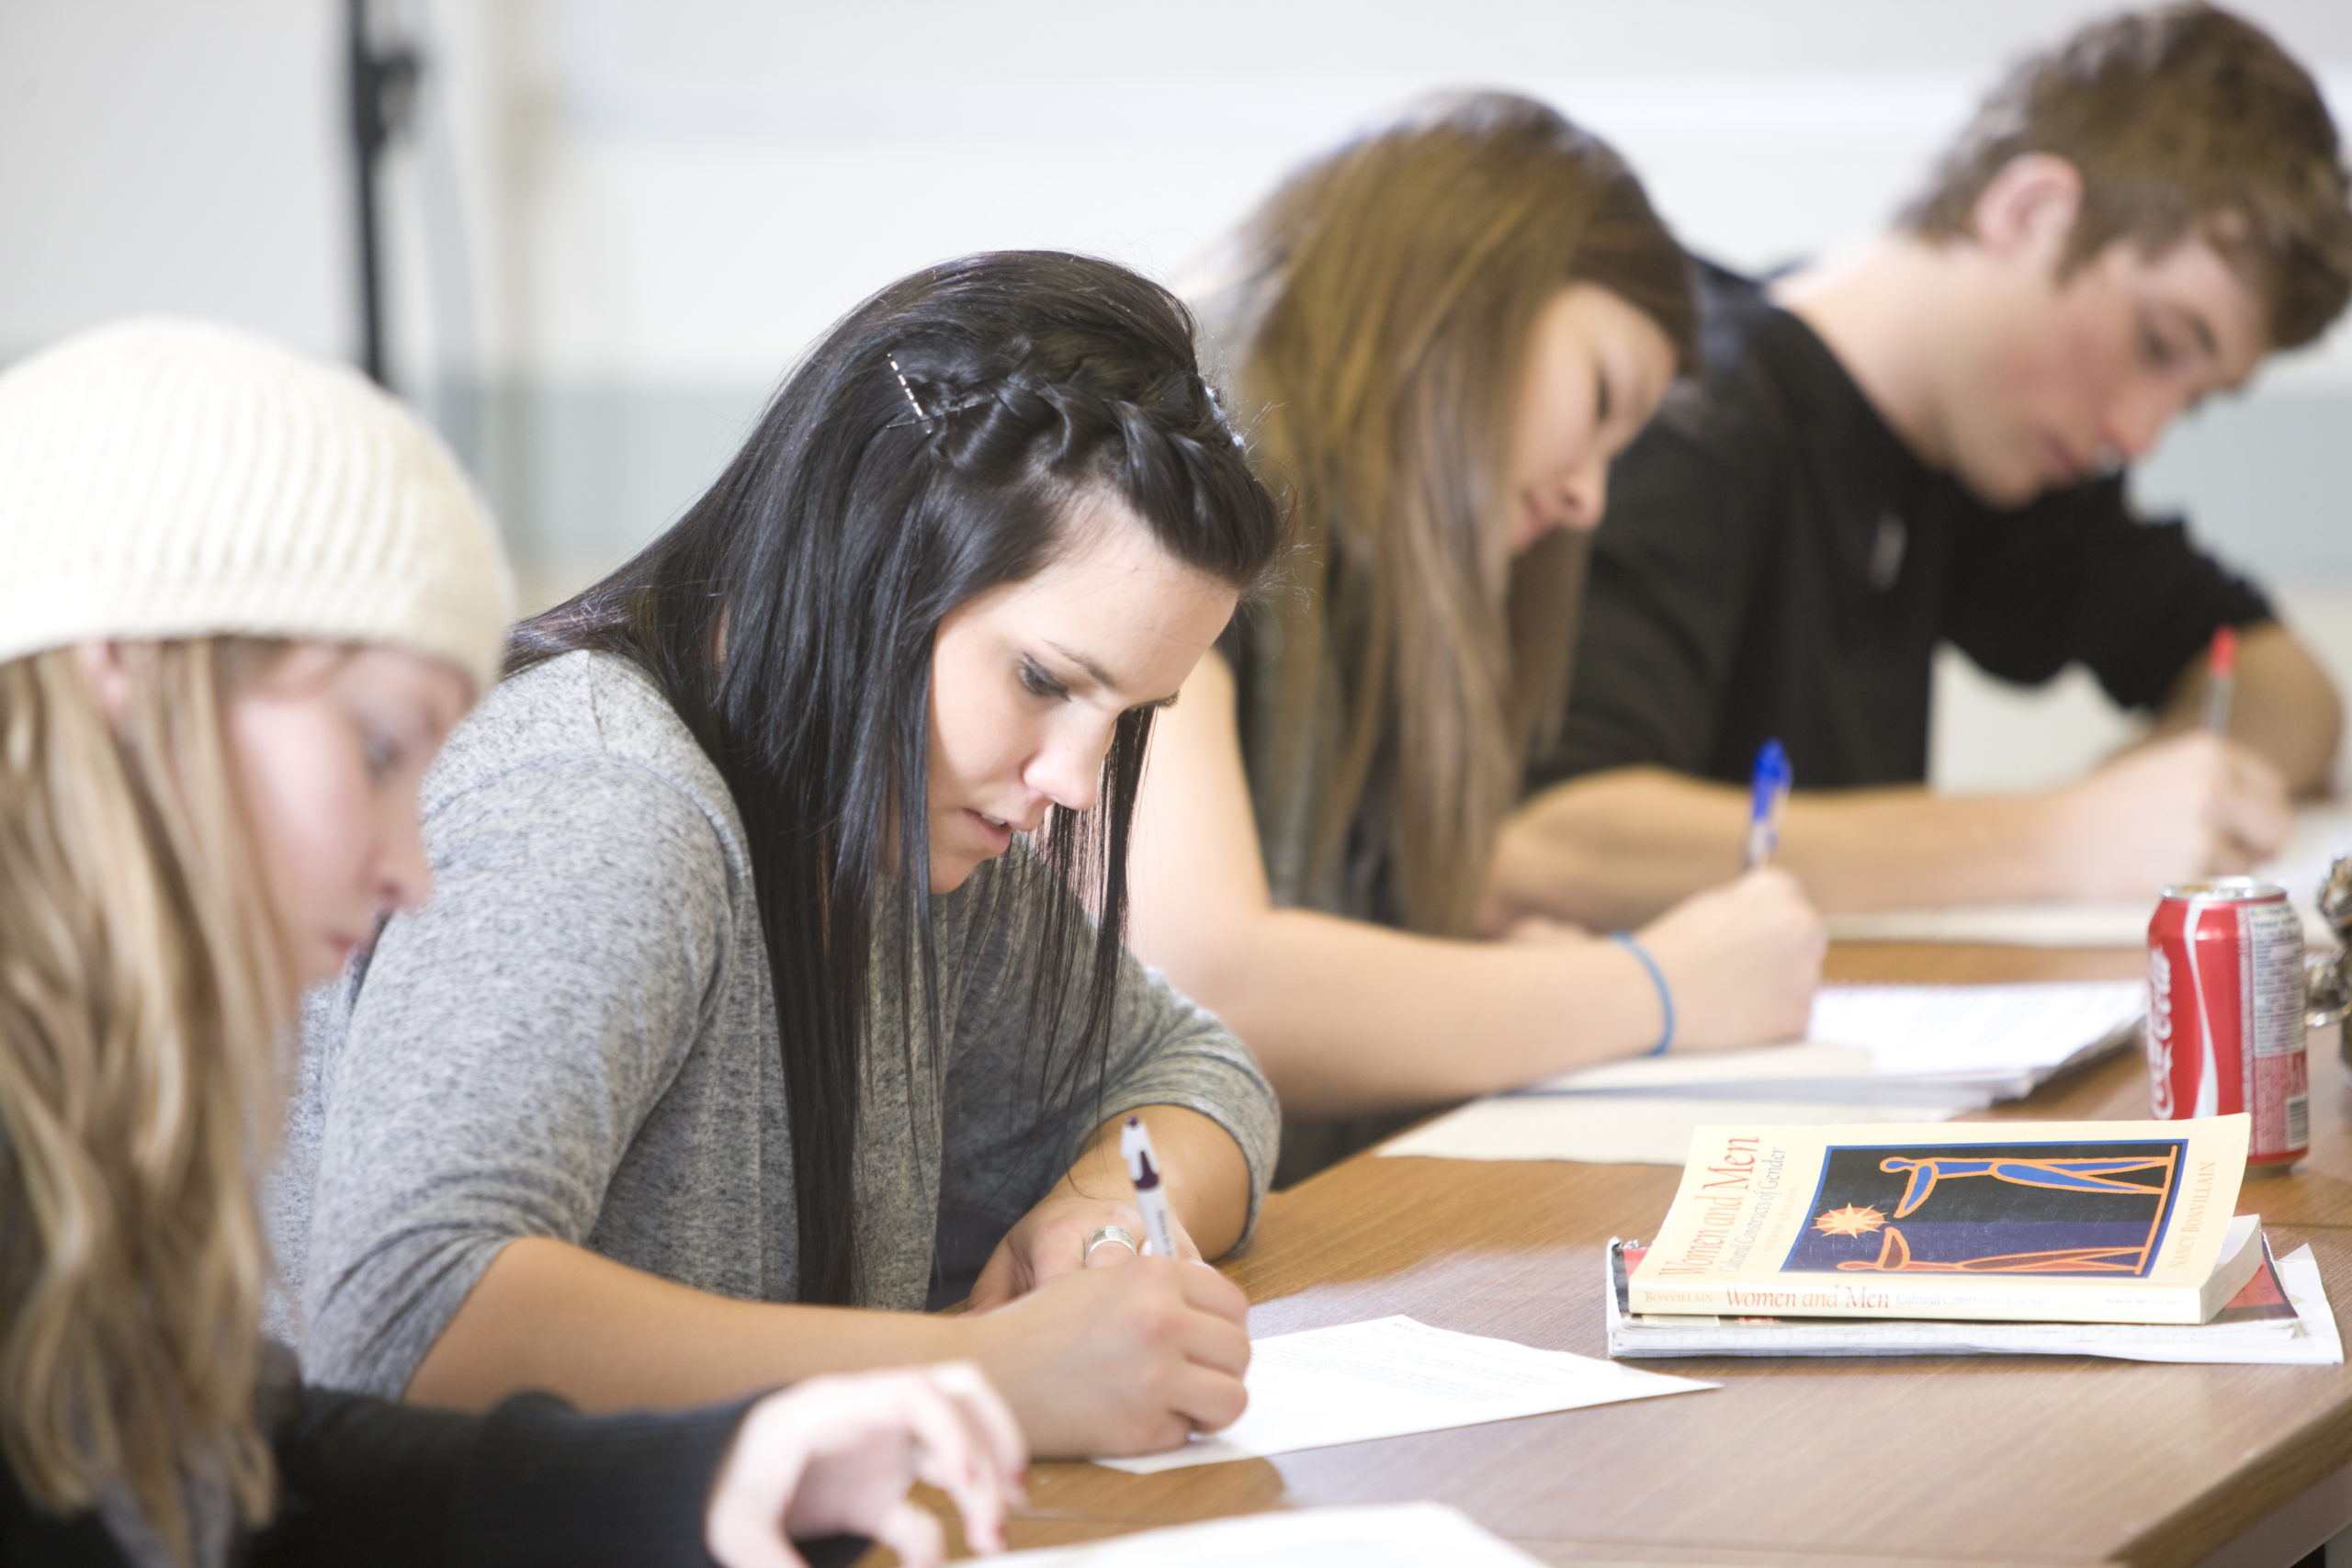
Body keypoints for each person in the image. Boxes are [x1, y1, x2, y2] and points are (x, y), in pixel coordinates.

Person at [0, 318, 1025, 1568]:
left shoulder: (86, 1109)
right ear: (131, 677)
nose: (409, 871)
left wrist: (703, 1472)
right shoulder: (613, 788)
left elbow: (251, 1462)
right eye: (378, 750)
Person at [273, 252, 1286, 1461]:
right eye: (1043, 679)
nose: (1075, 777)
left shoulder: (906, 828)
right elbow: (407, 1317)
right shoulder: (606, 804)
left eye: (1128, 715)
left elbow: (1199, 1070)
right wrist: (989, 1372)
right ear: (875, 558)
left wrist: (1099, 1219)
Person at [1492, 3, 2352, 932]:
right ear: (2029, 214)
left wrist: (2159, 811)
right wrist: (2052, 841)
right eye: (2156, 343)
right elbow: (1543, 838)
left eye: (2192, 399)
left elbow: (2283, 688)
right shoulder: (1690, 415)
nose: (2141, 434)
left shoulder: (1985, 469)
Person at [1124, 93, 1826, 1184]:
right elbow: (1208, 976)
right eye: (1599, 398)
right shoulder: (1179, 455)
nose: (1591, 501)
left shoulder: (1374, 559)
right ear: (1465, 293)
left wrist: (1498, 982)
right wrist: (1656, 988)